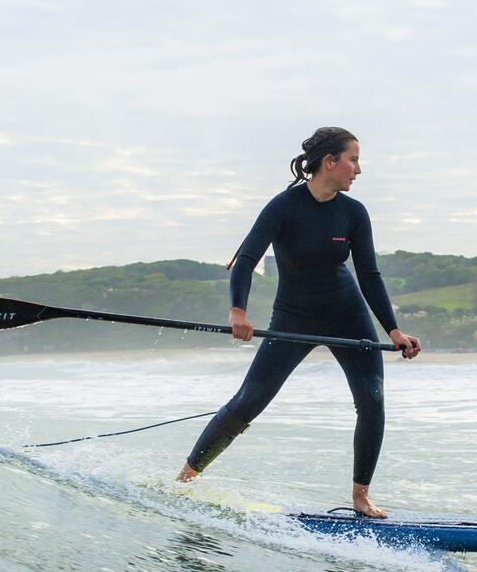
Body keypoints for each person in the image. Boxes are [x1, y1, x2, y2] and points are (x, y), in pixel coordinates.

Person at [176, 127, 420, 517]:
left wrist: (393, 330)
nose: (358, 169)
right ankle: (184, 480)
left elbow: (370, 276)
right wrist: (238, 310)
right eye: (353, 160)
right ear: (330, 162)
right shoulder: (284, 207)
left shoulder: (353, 213)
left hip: (347, 316)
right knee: (250, 400)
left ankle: (360, 497)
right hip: (294, 317)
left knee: (372, 400)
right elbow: (247, 260)